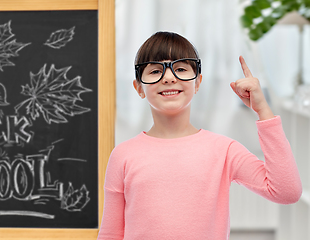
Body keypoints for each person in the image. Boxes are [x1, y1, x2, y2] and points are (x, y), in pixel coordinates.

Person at [97, 31, 302, 240]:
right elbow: (111, 233)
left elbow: (287, 192)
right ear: (139, 87)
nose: (169, 78)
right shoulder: (122, 155)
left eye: (181, 69)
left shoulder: (224, 150)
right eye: (155, 71)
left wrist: (263, 112)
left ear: (197, 82)